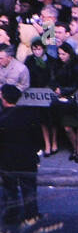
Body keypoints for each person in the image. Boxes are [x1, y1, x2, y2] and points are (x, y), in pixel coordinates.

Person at [0, 84, 42, 224]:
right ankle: (31, 215)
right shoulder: (29, 115)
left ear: (4, 98)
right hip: (27, 159)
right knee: (29, 188)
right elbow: (38, 139)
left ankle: (11, 215)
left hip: (7, 161)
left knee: (10, 189)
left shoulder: (2, 118)